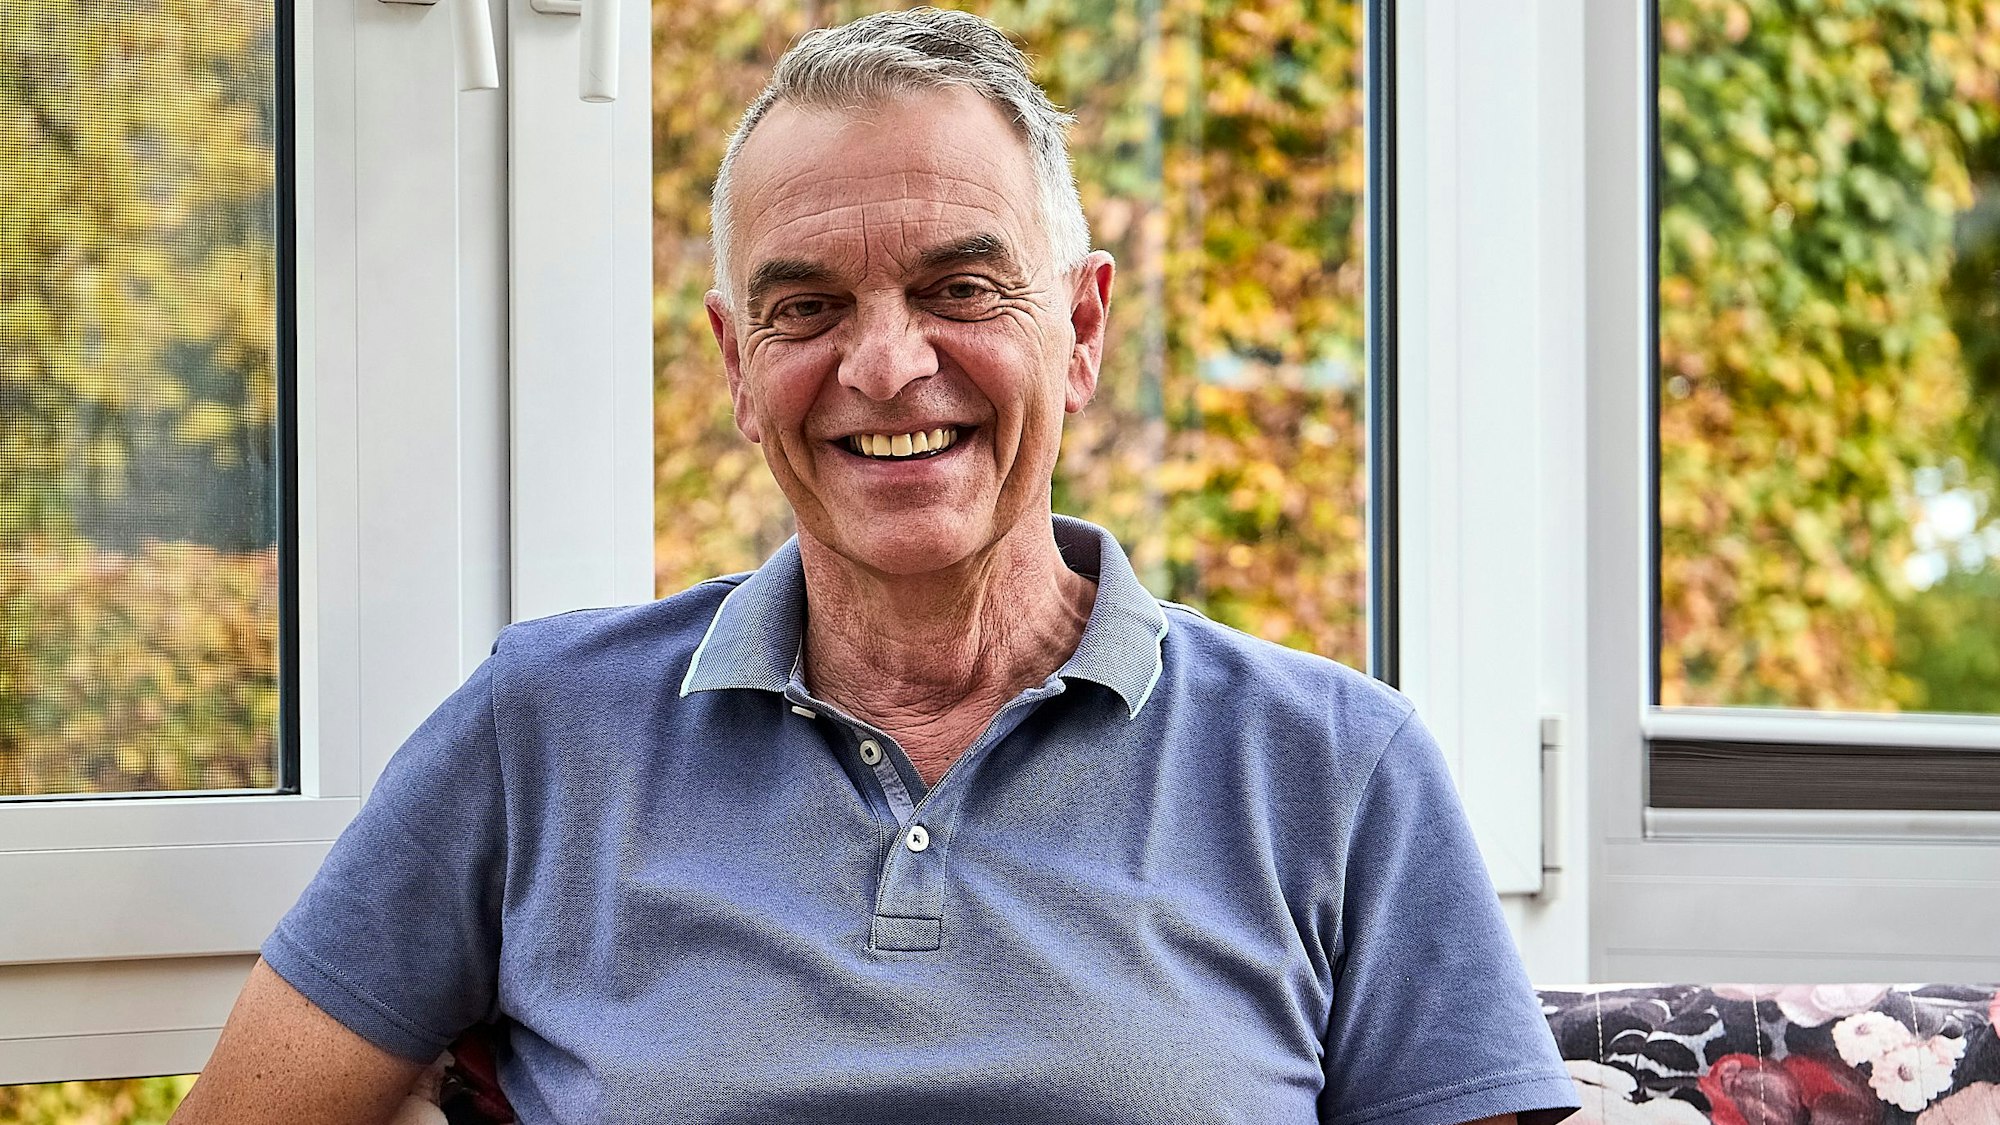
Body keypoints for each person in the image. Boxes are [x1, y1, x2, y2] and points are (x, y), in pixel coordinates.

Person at [171, 9, 1581, 1124]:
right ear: (738, 363)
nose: (888, 363)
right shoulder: (537, 723)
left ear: (1081, 329)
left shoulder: (1340, 764)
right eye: (809, 306)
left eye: (963, 288)